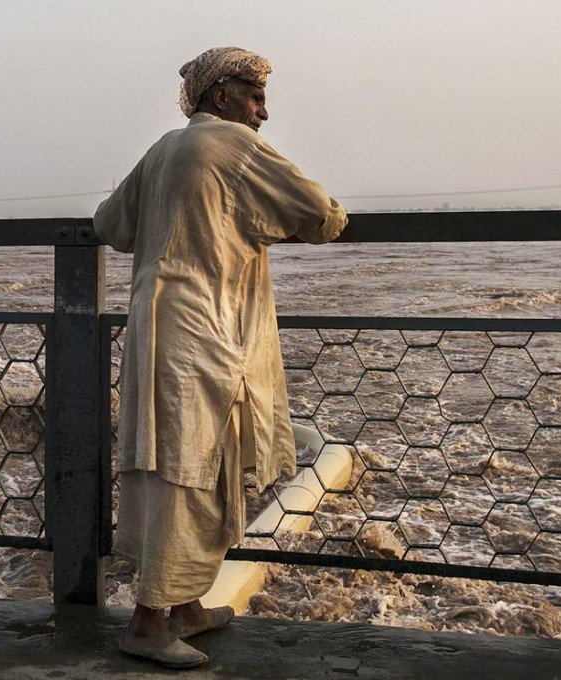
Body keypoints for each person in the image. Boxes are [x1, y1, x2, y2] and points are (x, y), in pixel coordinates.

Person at [94, 46, 348, 669]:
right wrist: (255, 225)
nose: (263, 112)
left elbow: (109, 225)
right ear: (221, 98)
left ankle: (185, 607)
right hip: (204, 329)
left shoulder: (163, 150)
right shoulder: (236, 147)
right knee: (192, 463)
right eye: (254, 97)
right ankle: (148, 623)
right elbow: (323, 216)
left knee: (170, 459)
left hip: (156, 325)